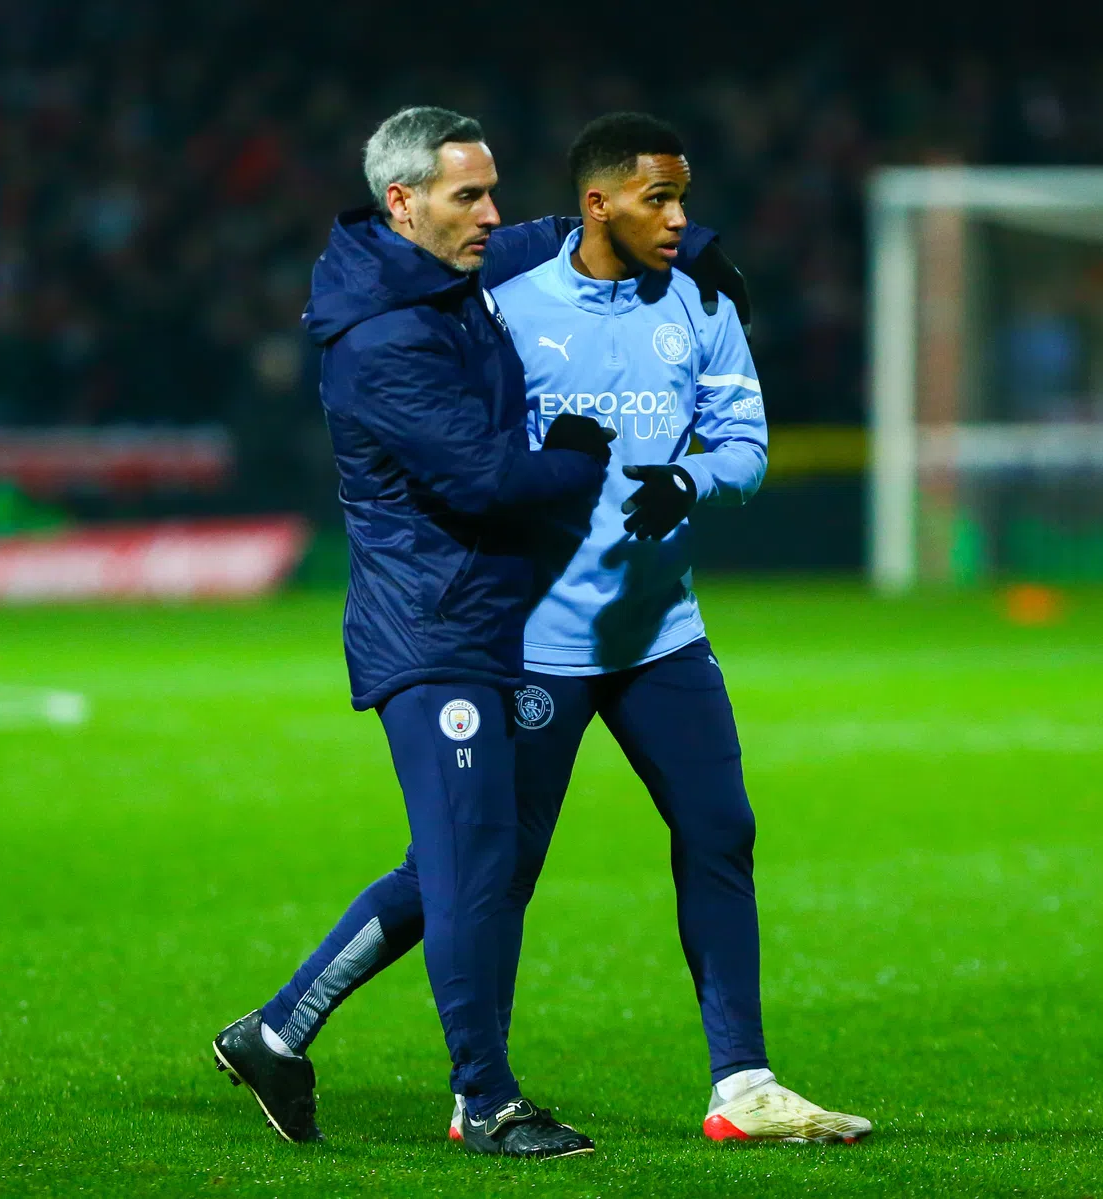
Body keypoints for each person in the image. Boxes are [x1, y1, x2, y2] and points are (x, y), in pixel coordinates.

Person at [240, 113, 871, 1145]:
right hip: (535, 636)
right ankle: (319, 1031)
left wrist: (694, 476)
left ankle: (743, 1081)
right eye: (659, 200)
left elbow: (748, 446)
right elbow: (466, 419)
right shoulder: (498, 297)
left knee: (721, 830)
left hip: (662, 628)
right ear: (600, 203)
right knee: (478, 868)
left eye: (685, 200)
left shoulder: (700, 301)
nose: (679, 219)